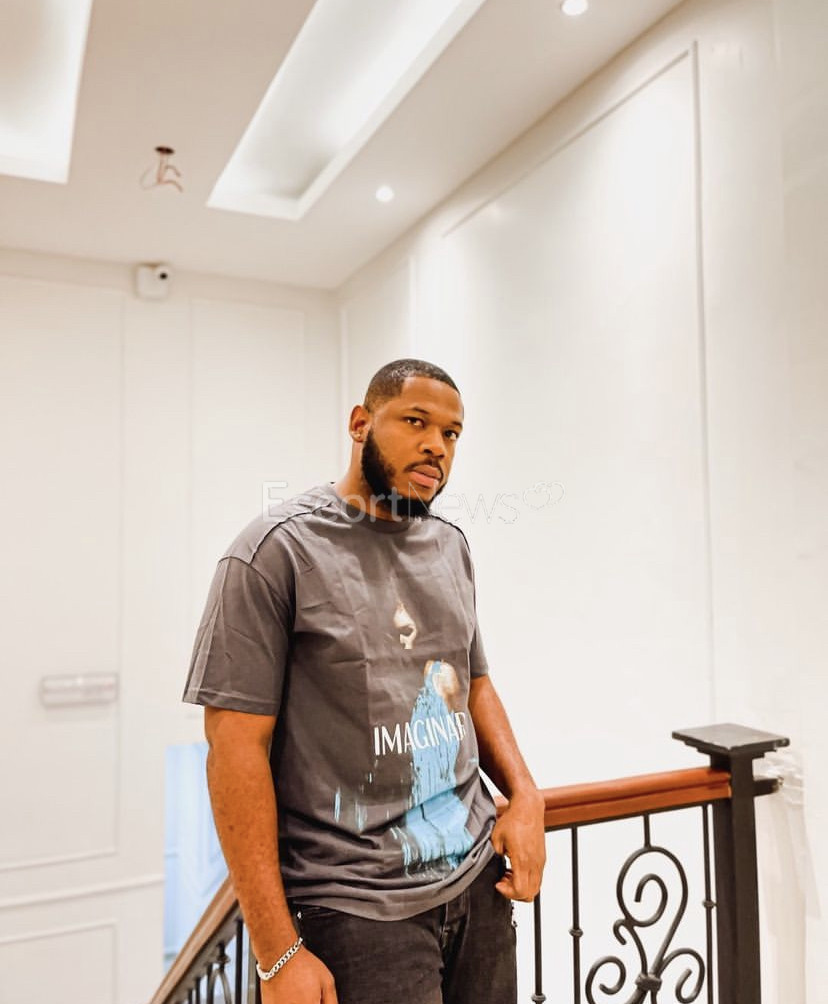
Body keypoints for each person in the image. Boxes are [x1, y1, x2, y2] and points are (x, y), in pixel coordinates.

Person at [183, 358, 546, 1004]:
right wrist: (275, 953)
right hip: (355, 912)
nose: (437, 446)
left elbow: (475, 683)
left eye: (452, 433)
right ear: (360, 423)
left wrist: (525, 795)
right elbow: (235, 750)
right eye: (416, 422)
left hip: (476, 883)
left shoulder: (450, 546)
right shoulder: (274, 553)